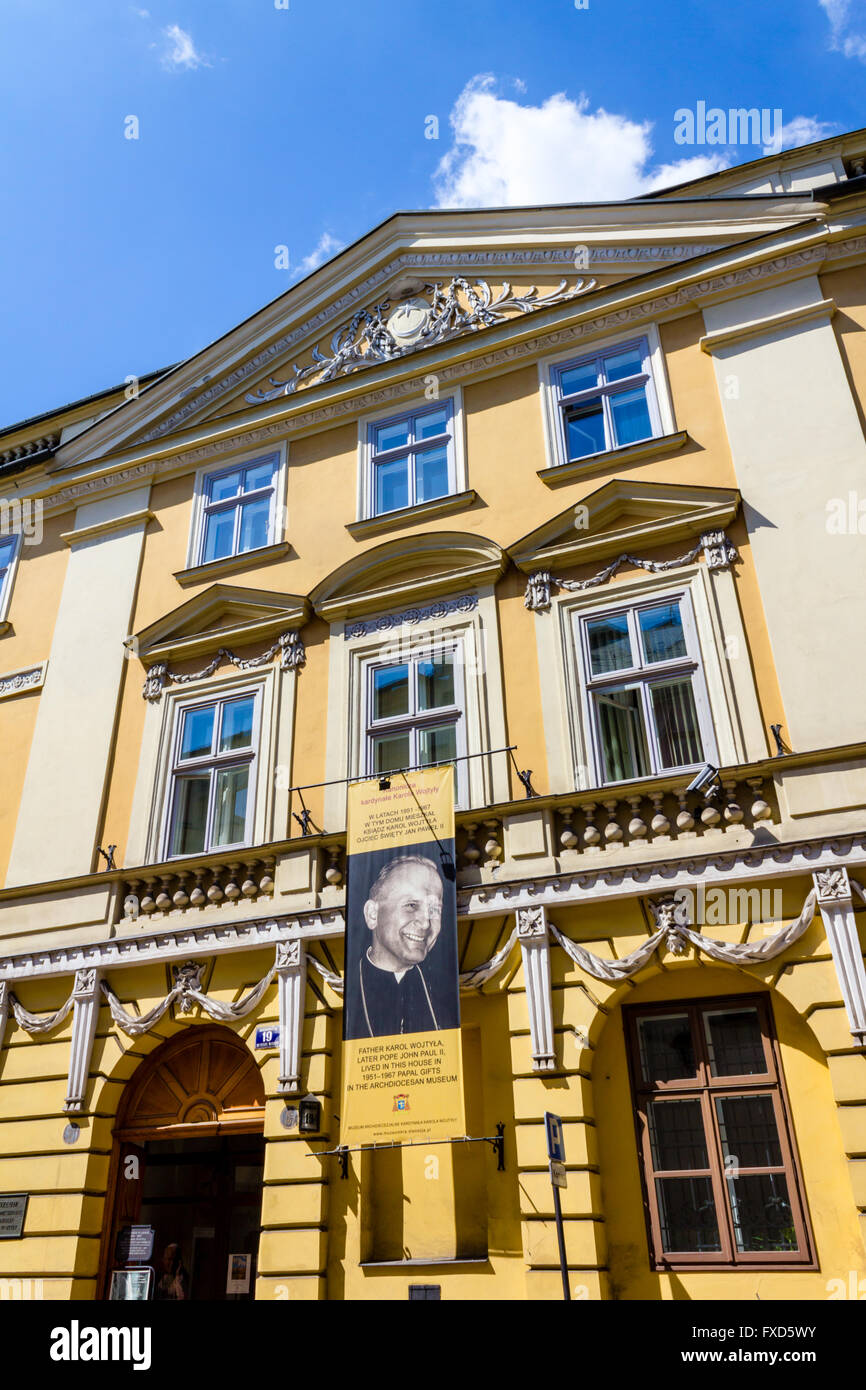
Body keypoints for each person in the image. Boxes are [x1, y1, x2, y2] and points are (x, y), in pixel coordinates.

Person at [345, 854, 459, 1039]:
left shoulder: (447, 997)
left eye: (434, 910)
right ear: (372, 914)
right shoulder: (348, 994)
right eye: (412, 905)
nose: (425, 924)